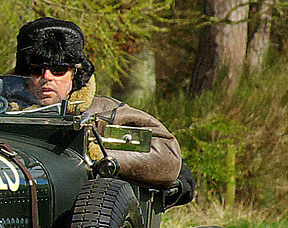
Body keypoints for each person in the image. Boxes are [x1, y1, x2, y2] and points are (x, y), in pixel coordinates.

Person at [14, 17, 183, 189]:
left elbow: (168, 156)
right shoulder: (1, 112)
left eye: (59, 70)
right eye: (36, 70)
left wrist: (98, 155)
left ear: (75, 74)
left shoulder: (104, 113)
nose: (47, 77)